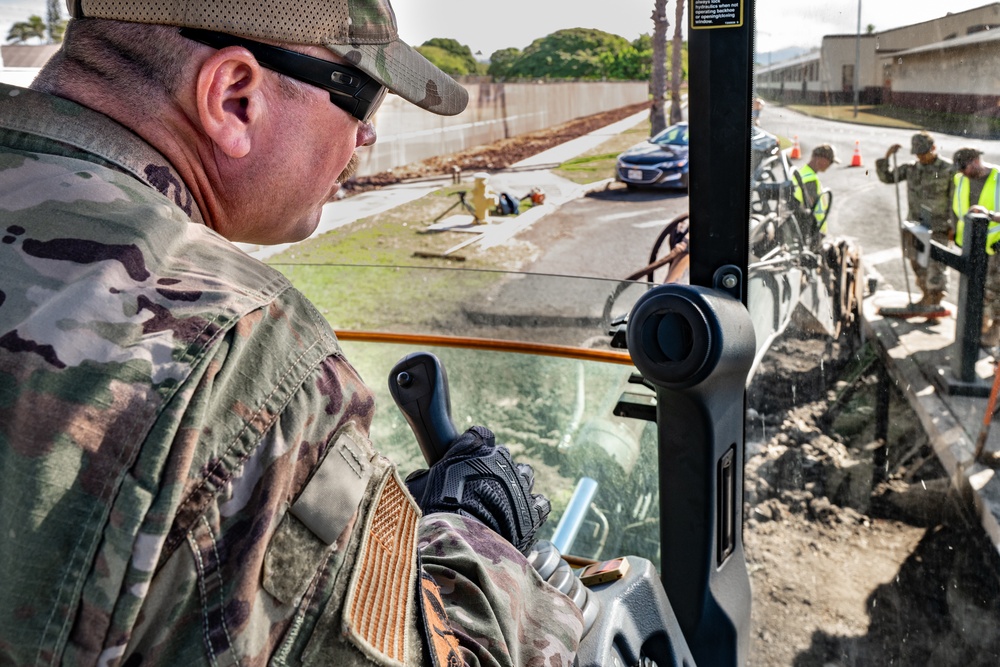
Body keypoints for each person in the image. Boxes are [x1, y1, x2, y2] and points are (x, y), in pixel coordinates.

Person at [0, 2, 583, 665]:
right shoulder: (238, 351)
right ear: (235, 97)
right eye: (362, 99)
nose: (366, 137)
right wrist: (479, 539)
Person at [875, 131, 953, 315]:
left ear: (934, 148)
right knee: (918, 264)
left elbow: (955, 198)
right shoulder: (911, 168)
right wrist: (887, 157)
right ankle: (926, 299)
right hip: (915, 225)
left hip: (939, 227)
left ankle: (934, 303)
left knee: (937, 268)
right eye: (917, 153)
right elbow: (887, 177)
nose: (920, 156)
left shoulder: (948, 169)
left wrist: (954, 226)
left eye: (924, 152)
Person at [952, 147, 1000, 347]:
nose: (962, 172)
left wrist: (988, 214)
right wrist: (954, 231)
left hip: (996, 247)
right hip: (972, 245)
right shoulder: (961, 179)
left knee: (994, 291)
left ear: (975, 161)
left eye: (964, 167)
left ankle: (993, 334)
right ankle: (977, 329)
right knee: (975, 289)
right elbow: (955, 206)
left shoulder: (998, 179)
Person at [792, 143, 837, 243]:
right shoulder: (810, 179)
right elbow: (809, 209)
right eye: (830, 162)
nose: (830, 166)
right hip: (811, 233)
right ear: (822, 159)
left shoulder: (802, 173)